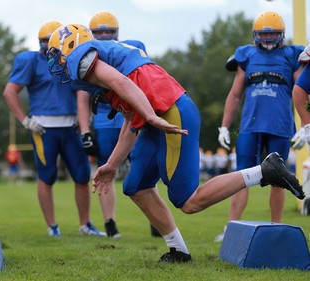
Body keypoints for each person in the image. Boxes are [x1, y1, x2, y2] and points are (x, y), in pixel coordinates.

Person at [46, 23, 304, 262]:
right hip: (156, 114)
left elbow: (121, 82)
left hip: (169, 111)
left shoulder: (88, 58)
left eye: (57, 54)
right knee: (136, 186)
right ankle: (178, 250)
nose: (55, 62)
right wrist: (112, 165)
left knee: (189, 201)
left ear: (73, 45)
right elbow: (130, 119)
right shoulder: (109, 61)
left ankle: (264, 171)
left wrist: (149, 115)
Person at [3, 21, 105, 237]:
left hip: (71, 126)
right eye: (44, 42)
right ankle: (52, 226)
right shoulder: (31, 61)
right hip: (43, 128)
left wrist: (83, 117)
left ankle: (85, 224)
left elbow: (85, 91)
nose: (47, 47)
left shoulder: (73, 59)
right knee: (47, 176)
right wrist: (25, 120)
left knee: (81, 174)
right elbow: (10, 92)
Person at [214, 11, 304, 242]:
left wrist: (306, 123)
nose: (268, 39)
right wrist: (225, 126)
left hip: (280, 126)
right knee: (240, 179)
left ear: (282, 35)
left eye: (273, 34)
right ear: (255, 35)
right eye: (264, 35)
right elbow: (235, 96)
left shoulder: (292, 56)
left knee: (279, 181)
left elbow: (303, 91)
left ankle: (276, 229)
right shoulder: (247, 56)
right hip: (250, 127)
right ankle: (231, 228)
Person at [77, 11, 149, 238]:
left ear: (117, 33)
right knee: (105, 170)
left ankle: (155, 218)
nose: (106, 36)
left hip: (132, 115)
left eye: (110, 31)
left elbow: (144, 80)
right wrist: (85, 131)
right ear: (91, 35)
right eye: (100, 32)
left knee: (146, 166)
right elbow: (82, 97)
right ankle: (110, 222)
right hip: (106, 121)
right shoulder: (86, 56)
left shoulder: (130, 48)